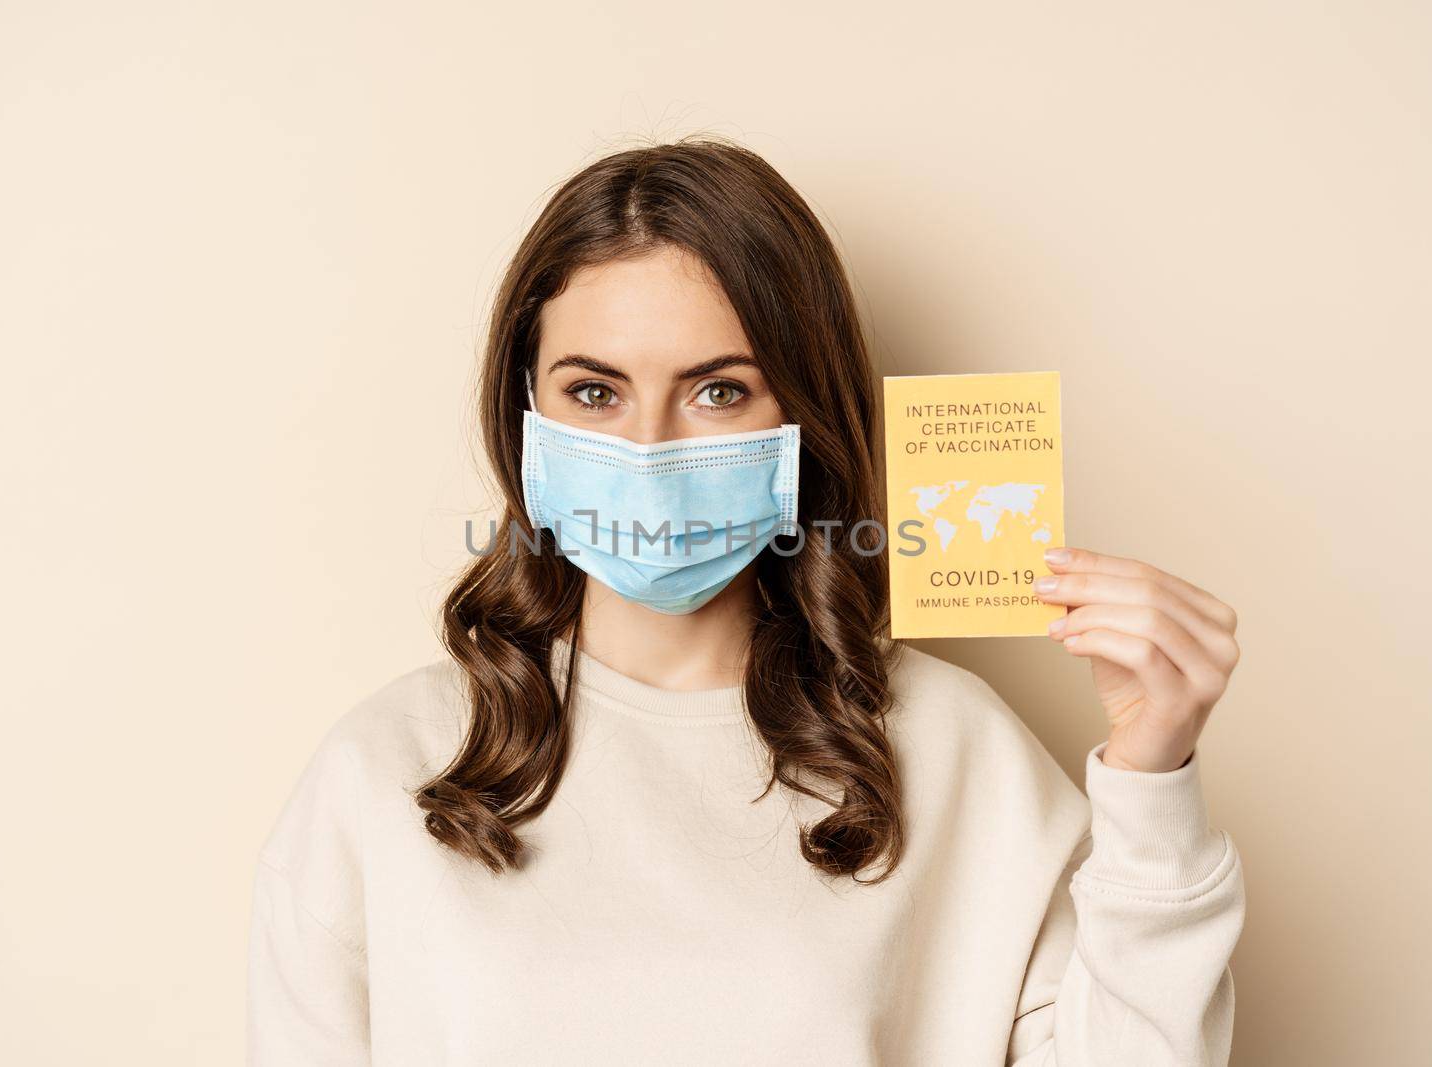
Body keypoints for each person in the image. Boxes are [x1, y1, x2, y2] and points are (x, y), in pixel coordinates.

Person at [246, 138, 1246, 1066]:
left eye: (718, 390)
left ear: (800, 415)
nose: (649, 448)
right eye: (594, 391)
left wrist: (1151, 780)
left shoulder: (955, 751)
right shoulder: (386, 769)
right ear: (526, 413)